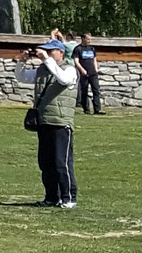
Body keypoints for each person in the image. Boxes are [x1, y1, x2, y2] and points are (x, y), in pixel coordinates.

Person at [19, 39, 78, 208]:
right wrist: (22, 62)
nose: (48, 54)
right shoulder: (43, 70)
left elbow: (63, 79)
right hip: (44, 120)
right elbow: (21, 77)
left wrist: (47, 60)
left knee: (62, 162)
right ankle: (52, 197)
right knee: (46, 163)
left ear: (60, 52)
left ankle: (69, 197)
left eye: (51, 51)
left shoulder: (70, 69)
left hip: (61, 121)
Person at [76, 33, 103, 116]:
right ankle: (86, 109)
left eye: (90, 39)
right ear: (83, 39)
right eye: (88, 39)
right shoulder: (78, 49)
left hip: (93, 73)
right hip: (84, 73)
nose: (89, 41)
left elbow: (94, 59)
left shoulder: (92, 48)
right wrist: (82, 70)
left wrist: (96, 69)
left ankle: (97, 109)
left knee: (96, 90)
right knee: (84, 91)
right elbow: (76, 61)